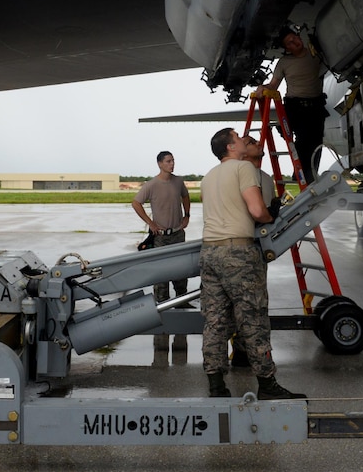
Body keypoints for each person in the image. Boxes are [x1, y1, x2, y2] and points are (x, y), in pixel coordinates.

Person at [200, 127, 305, 400]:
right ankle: (268, 385)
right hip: (239, 252)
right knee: (253, 320)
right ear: (231, 147)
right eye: (238, 138)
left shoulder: (208, 177)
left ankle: (215, 386)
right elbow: (256, 211)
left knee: (215, 321)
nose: (244, 139)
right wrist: (270, 214)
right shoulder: (243, 169)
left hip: (209, 251)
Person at [259, 27, 328, 184]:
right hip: (294, 106)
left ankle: (309, 173)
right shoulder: (284, 62)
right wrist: (262, 88)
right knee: (303, 138)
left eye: (295, 38)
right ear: (286, 48)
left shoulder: (316, 55)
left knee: (316, 142)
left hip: (315, 105)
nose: (294, 42)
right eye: (289, 42)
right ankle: (301, 173)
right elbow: (273, 85)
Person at [131, 151, 191, 302]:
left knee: (181, 271)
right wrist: (150, 223)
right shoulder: (151, 185)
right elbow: (136, 203)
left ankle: (182, 301)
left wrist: (187, 215)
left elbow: (185, 196)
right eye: (168, 161)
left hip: (177, 234)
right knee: (161, 274)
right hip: (160, 237)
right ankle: (162, 304)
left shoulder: (178, 181)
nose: (172, 164)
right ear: (159, 164)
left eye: (173, 161)